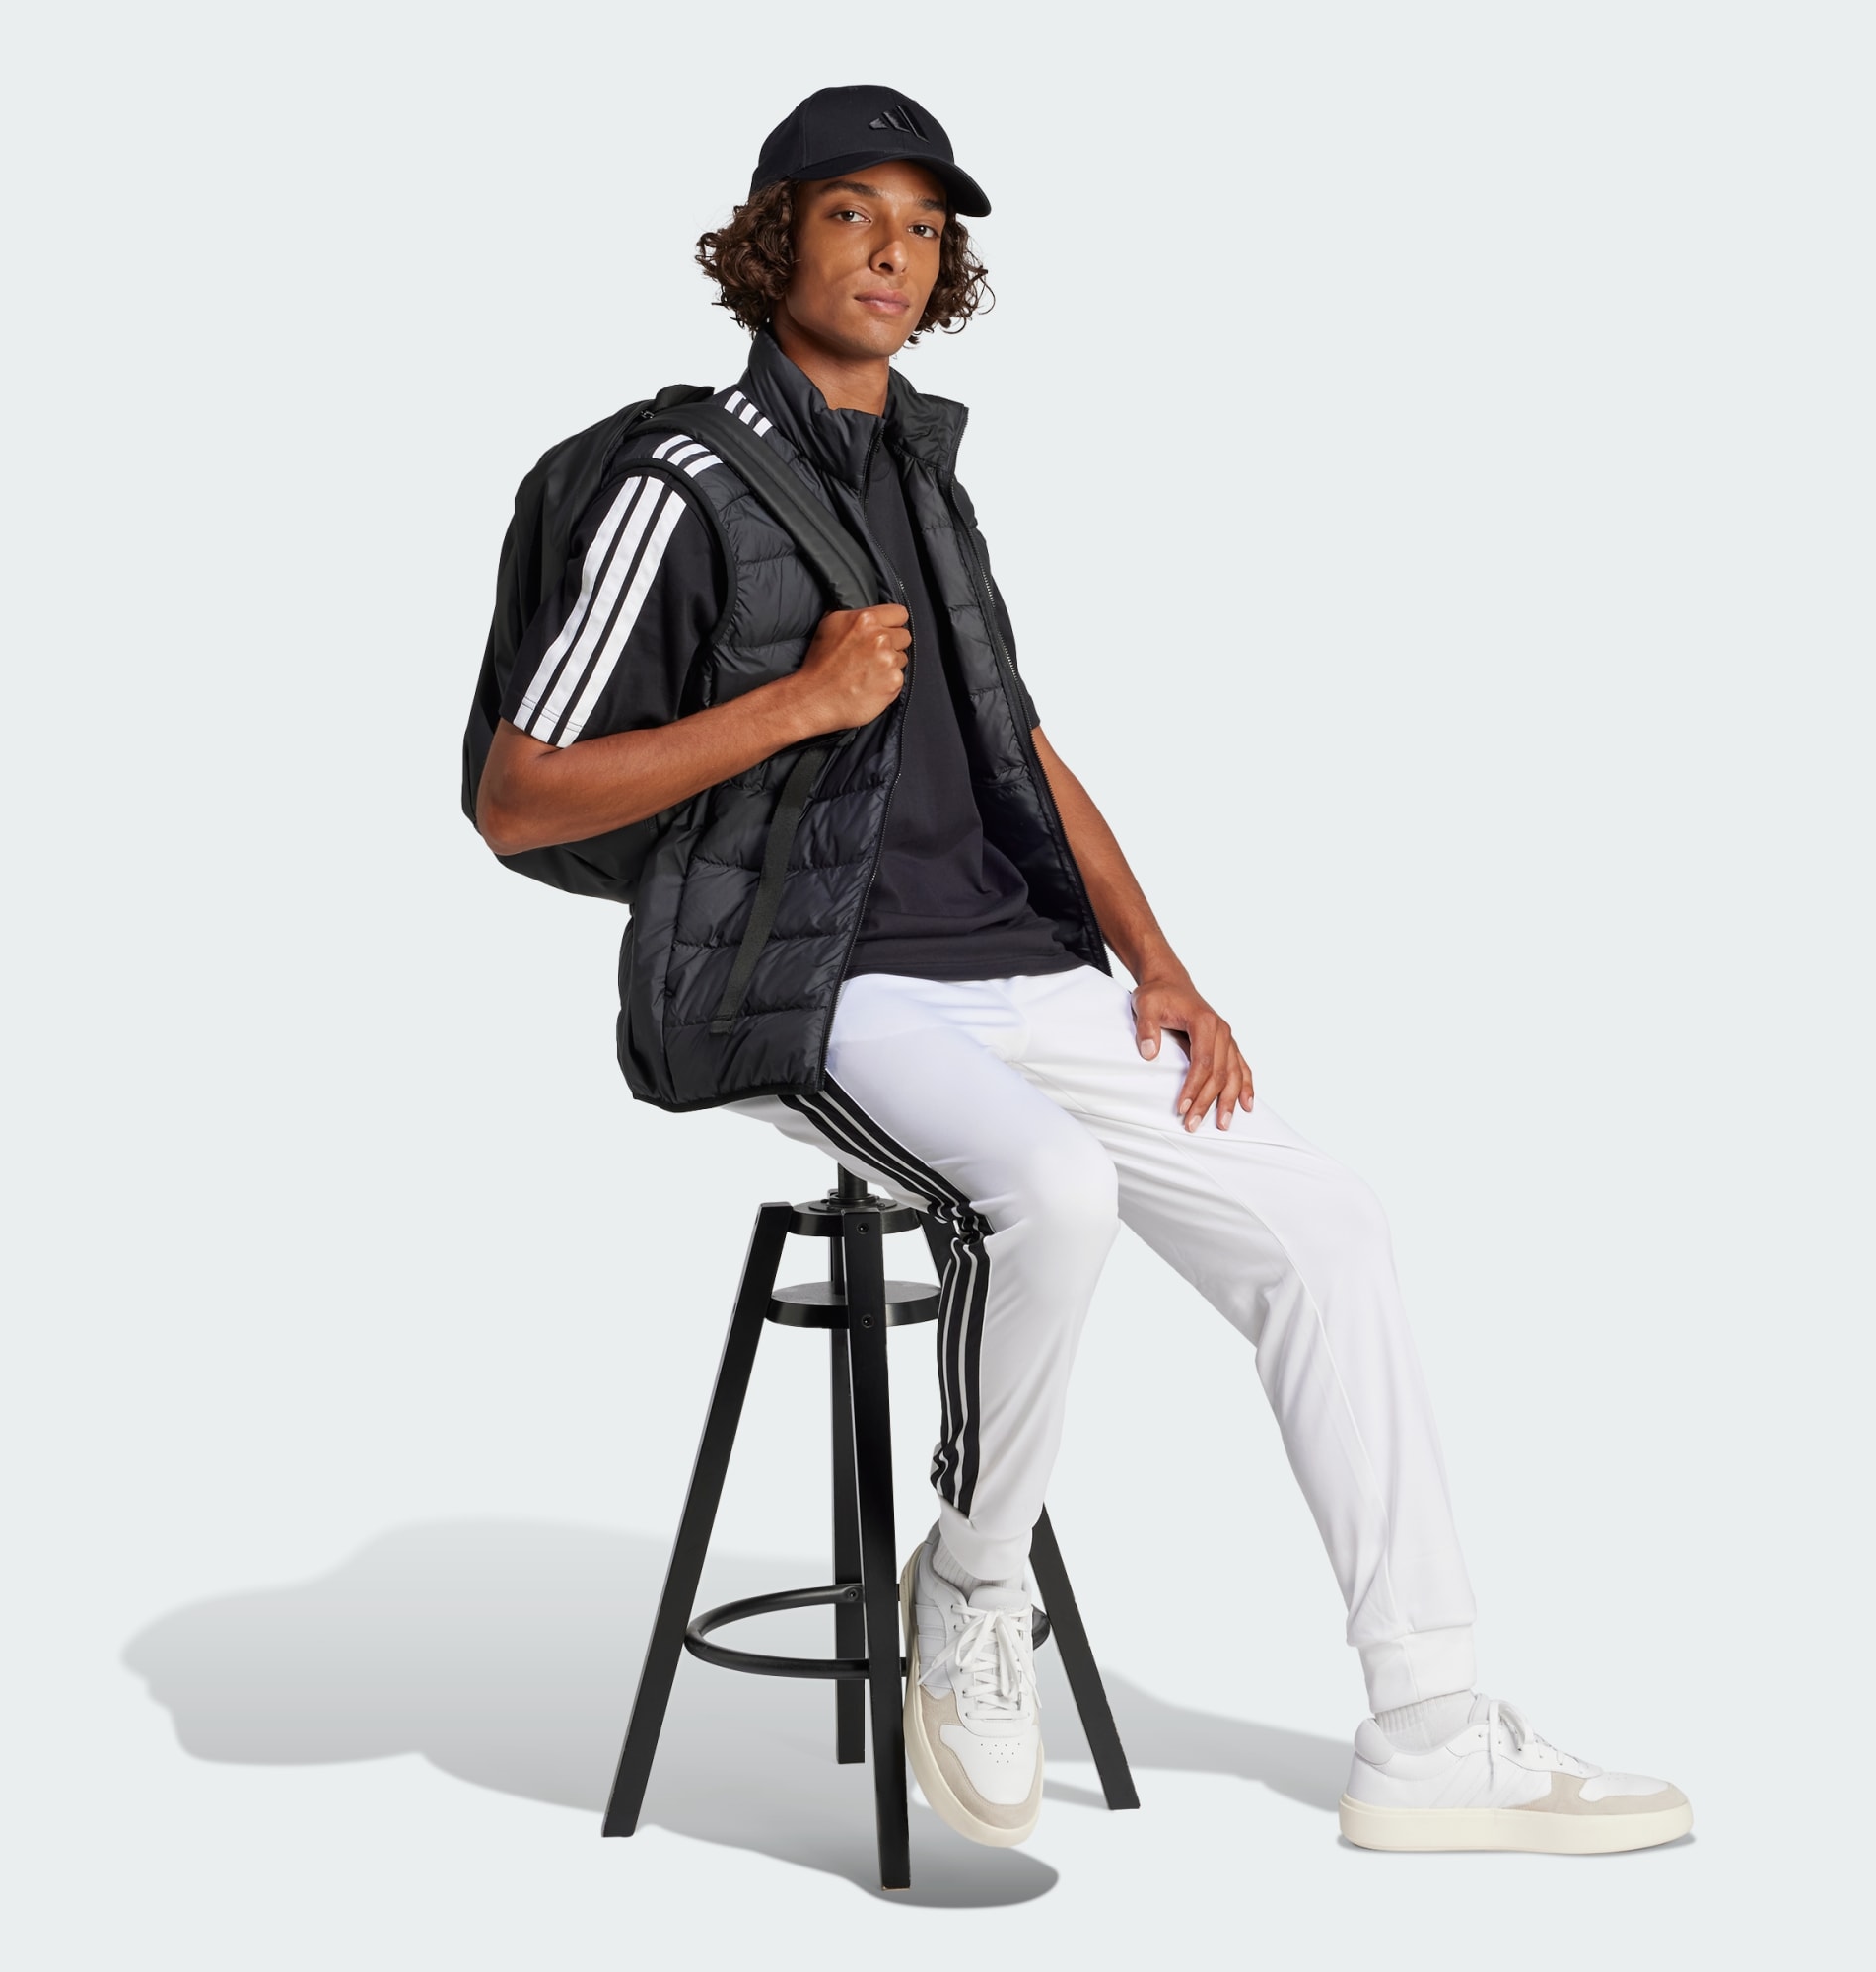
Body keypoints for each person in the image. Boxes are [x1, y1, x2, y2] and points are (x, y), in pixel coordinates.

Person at [474, 84, 1691, 1858]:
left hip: (1025, 969)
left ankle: (1429, 1730)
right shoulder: (677, 483)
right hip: (815, 986)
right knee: (1052, 1192)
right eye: (852, 214)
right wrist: (799, 704)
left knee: (1329, 1228)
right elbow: (516, 796)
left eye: (925, 226)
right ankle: (971, 1590)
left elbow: (1018, 746)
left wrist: (1162, 964)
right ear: (771, 241)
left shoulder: (924, 476)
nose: (895, 253)